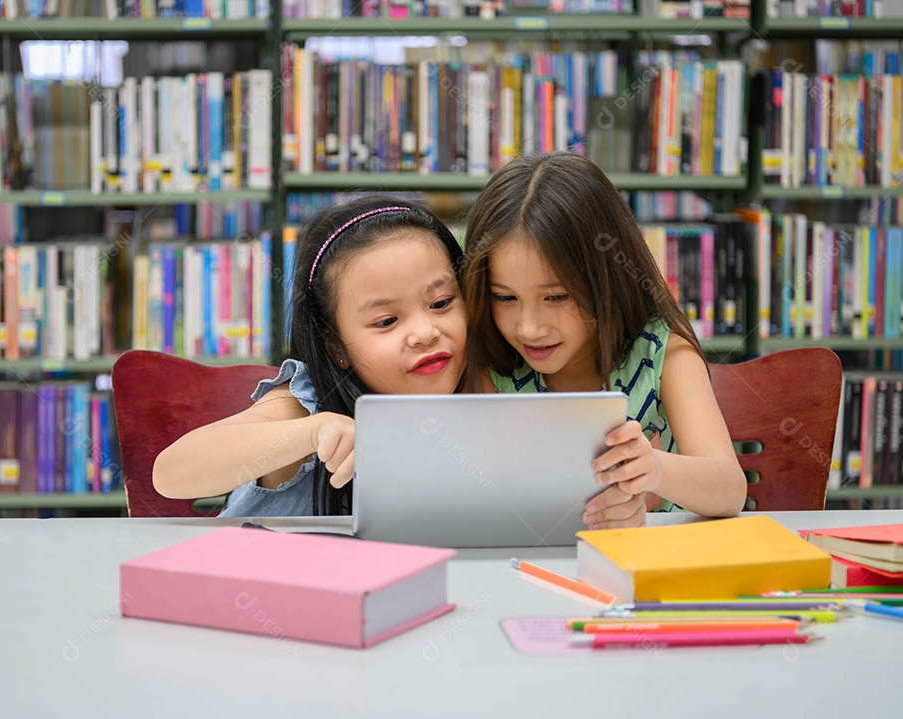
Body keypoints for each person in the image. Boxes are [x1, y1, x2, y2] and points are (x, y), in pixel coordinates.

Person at [461, 152, 747, 526]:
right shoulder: (490, 362)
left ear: (608, 280)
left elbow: (730, 489)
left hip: (657, 568)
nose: (529, 328)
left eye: (556, 297)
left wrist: (653, 470)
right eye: (505, 297)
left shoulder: (663, 352)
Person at [152, 197, 468, 516]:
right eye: (386, 321)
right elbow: (170, 473)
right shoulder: (308, 403)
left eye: (441, 303)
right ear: (336, 348)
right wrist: (314, 432)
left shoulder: (481, 395)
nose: (425, 333)